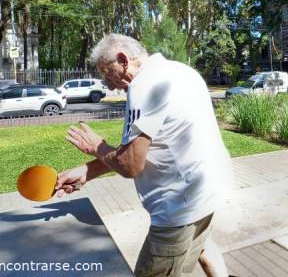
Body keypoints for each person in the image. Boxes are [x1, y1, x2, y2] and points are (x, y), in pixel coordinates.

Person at [55, 34, 232, 277]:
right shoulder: (181, 71)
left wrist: (97, 145)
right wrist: (87, 171)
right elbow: (147, 148)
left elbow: (130, 165)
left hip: (178, 211)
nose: (108, 85)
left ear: (122, 60)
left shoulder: (143, 86)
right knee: (202, 247)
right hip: (209, 195)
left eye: (108, 74)